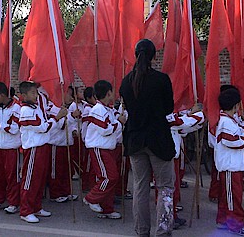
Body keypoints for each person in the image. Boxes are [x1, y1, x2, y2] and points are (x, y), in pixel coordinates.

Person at [119, 39, 176, 236]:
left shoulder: (126, 82)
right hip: (158, 138)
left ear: (136, 55)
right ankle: (163, 230)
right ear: (153, 56)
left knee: (140, 187)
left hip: (135, 140)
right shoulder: (161, 79)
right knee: (165, 187)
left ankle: (142, 231)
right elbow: (169, 108)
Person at [18, 81, 67, 223]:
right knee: (30, 180)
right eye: (32, 93)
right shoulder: (26, 110)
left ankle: (36, 206)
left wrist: (58, 115)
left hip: (43, 146)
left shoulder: (37, 108)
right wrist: (57, 118)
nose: (35, 95)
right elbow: (43, 127)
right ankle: (26, 210)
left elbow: (46, 121)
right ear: (24, 95)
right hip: (33, 148)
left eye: (36, 93)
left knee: (39, 179)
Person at [83, 80, 126, 220]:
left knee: (111, 178)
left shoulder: (107, 108)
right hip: (99, 148)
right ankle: (91, 198)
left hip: (108, 148)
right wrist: (118, 123)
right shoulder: (97, 110)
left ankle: (107, 209)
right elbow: (105, 129)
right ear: (108, 93)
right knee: (109, 177)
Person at [215, 88, 244, 236]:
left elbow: (238, 130)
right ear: (236, 106)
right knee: (233, 199)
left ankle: (224, 220)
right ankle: (235, 225)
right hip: (230, 167)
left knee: (229, 197)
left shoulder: (230, 120)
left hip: (233, 166)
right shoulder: (225, 122)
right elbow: (233, 141)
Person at [166, 104, 205, 229]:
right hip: (166, 155)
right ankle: (167, 218)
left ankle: (172, 215)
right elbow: (180, 123)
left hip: (172, 153)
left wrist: (195, 121)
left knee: (174, 187)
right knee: (168, 189)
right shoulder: (161, 109)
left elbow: (182, 129)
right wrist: (199, 115)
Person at [0, 82, 22, 214]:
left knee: (12, 175)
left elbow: (14, 128)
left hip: (11, 147)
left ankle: (13, 202)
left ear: (2, 95)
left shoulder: (16, 108)